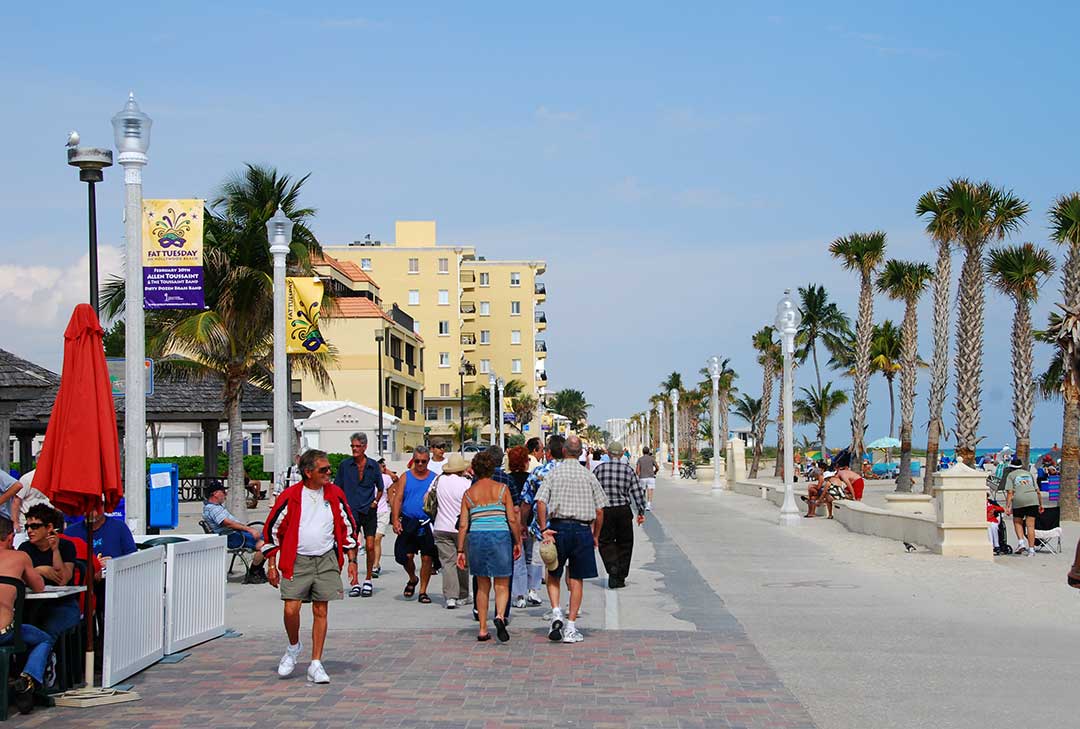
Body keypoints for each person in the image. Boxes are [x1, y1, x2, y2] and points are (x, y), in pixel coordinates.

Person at [263, 449, 357, 684]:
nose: (328, 473)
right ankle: (294, 646)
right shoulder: (291, 495)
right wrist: (272, 564)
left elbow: (347, 527)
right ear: (308, 472)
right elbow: (272, 530)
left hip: (326, 559)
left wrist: (352, 560)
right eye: (323, 470)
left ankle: (316, 663)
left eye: (328, 469)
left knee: (321, 610)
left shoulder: (335, 494)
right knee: (291, 609)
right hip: (296, 560)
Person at [534, 435, 607, 644]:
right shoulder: (588, 476)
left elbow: (540, 501)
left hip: (557, 528)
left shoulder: (554, 473)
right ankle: (571, 626)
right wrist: (596, 535)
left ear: (564, 451)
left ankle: (556, 612)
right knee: (576, 578)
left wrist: (543, 528)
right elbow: (600, 510)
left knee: (553, 573)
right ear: (581, 452)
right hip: (582, 530)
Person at [456, 451, 521, 642]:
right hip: (500, 535)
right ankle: (500, 616)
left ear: (474, 469)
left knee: (482, 585)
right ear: (492, 468)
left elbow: (463, 525)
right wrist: (517, 541)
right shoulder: (502, 489)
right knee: (502, 583)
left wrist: (460, 550)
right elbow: (511, 518)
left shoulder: (469, 493)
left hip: (477, 536)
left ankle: (483, 629)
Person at [0, 516, 49, 714]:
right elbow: (39, 587)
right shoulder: (19, 557)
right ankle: (27, 680)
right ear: (11, 537)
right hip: (4, 633)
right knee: (43, 639)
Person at [19, 504, 80, 647]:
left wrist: (55, 550)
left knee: (47, 630)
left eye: (34, 526)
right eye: (27, 527)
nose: (29, 531)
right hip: (31, 605)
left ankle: (43, 666)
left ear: (49, 527)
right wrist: (39, 570)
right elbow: (19, 578)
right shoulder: (24, 548)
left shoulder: (66, 546)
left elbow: (63, 579)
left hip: (62, 605)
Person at [593, 442, 646, 588]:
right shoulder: (628, 470)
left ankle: (612, 567)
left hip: (605, 511)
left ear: (608, 454)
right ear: (622, 454)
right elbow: (637, 492)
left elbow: (591, 491)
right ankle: (620, 574)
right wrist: (641, 511)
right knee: (625, 542)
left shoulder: (599, 470)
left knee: (605, 541)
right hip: (623, 510)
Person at [336, 433, 384, 598]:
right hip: (351, 511)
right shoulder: (345, 466)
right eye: (353, 446)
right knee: (352, 546)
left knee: (370, 546)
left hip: (368, 511)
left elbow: (381, 487)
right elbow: (337, 488)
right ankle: (354, 581)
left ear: (364, 447)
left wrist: (375, 502)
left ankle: (368, 579)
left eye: (357, 446)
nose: (355, 449)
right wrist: (341, 506)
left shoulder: (373, 466)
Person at [390, 445, 438, 603]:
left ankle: (423, 591)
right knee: (406, 556)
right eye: (417, 461)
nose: (420, 464)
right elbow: (398, 498)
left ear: (428, 461)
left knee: (426, 558)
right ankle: (412, 578)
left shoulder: (435, 478)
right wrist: (395, 519)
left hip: (427, 523)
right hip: (409, 522)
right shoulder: (406, 477)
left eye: (423, 462)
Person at [203, 482, 267, 583]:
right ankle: (254, 572)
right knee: (265, 545)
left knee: (269, 539)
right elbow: (228, 524)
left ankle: (257, 570)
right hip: (231, 537)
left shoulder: (215, 507)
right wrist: (250, 529)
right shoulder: (213, 509)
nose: (226, 493)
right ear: (215, 493)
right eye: (223, 492)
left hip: (234, 534)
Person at [431, 454, 472, 609]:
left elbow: (427, 498)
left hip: (441, 526)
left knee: (447, 563)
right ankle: (463, 593)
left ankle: (450, 597)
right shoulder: (466, 483)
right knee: (462, 561)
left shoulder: (439, 480)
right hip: (461, 526)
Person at [507, 445, 541, 608]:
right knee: (532, 558)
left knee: (517, 558)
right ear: (525, 462)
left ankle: (519, 594)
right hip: (532, 522)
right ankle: (533, 590)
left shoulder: (507, 480)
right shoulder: (532, 478)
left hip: (513, 523)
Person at [1003, 456, 1042, 556]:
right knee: (1030, 526)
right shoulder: (1029, 474)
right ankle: (1032, 550)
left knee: (1017, 521)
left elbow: (1010, 492)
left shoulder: (1011, 475)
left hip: (1019, 500)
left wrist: (1007, 507)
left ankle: (1021, 543)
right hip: (1033, 499)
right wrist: (1040, 505)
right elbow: (1038, 492)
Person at [372, 458, 394, 578]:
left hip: (383, 511)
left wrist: (395, 515)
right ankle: (375, 562)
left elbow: (390, 497)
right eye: (381, 466)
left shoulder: (387, 479)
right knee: (370, 541)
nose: (384, 468)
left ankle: (375, 565)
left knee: (377, 538)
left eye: (384, 466)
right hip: (370, 513)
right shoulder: (368, 478)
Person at [636, 447, 659, 511]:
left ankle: (643, 503)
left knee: (642, 491)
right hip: (651, 477)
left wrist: (638, 475)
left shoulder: (640, 459)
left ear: (643, 452)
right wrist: (655, 472)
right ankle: (648, 505)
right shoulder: (652, 459)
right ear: (648, 452)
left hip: (642, 477)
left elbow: (637, 470)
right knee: (650, 491)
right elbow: (657, 467)